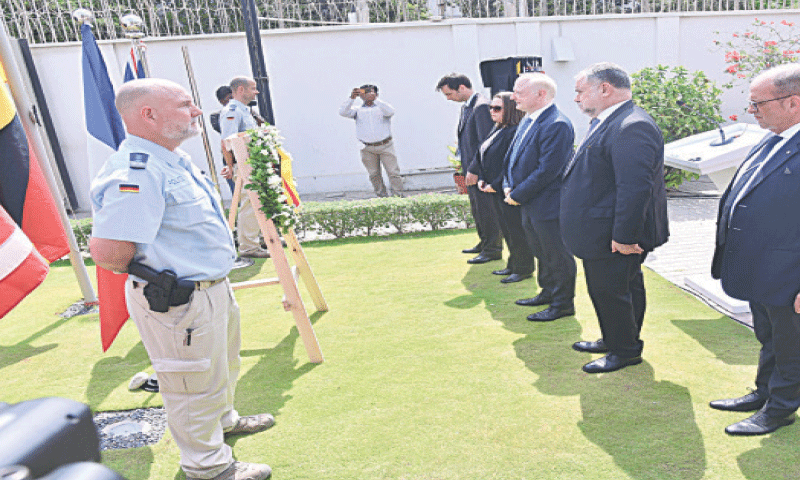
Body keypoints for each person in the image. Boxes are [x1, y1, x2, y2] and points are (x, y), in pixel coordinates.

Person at [89, 78, 274, 480]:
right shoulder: (137, 171)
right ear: (148, 115)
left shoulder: (170, 158)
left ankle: (223, 422)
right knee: (191, 387)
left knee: (222, 366)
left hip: (211, 288)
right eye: (184, 104)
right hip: (179, 298)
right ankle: (207, 466)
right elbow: (111, 253)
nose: (195, 111)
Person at [709, 63, 800, 436]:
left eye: (758, 104)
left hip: (790, 273)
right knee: (769, 336)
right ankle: (765, 392)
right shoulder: (774, 136)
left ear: (793, 102)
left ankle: (780, 409)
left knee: (791, 345)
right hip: (764, 269)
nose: (753, 111)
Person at [561, 62, 669, 373]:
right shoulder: (611, 121)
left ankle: (625, 351)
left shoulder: (631, 125)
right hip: (603, 231)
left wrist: (624, 237)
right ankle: (617, 338)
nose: (577, 98)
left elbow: (634, 189)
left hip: (613, 235)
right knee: (618, 289)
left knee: (613, 291)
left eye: (581, 91)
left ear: (605, 89)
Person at [503, 73, 577, 321]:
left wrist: (518, 194)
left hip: (548, 204)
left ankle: (562, 304)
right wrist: (507, 185)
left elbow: (548, 170)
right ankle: (547, 293)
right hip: (528, 202)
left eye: (519, 92)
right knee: (540, 251)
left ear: (541, 94)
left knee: (556, 254)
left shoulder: (557, 124)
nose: (513, 98)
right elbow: (512, 158)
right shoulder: (528, 120)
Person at [436, 73, 502, 264]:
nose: (448, 98)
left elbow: (485, 143)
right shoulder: (469, 107)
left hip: (480, 171)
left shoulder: (481, 107)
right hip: (471, 168)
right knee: (478, 210)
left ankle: (492, 249)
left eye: (449, 94)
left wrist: (474, 170)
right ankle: (484, 243)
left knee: (486, 210)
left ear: (462, 88)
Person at [476, 92, 532, 284]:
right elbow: (485, 156)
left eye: (497, 108)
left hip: (507, 189)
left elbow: (510, 165)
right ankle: (513, 264)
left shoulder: (514, 132)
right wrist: (482, 178)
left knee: (516, 230)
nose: (492, 111)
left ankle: (523, 268)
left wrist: (495, 184)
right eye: (490, 107)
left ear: (509, 110)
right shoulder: (498, 128)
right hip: (493, 189)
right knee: (507, 229)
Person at [220, 76, 270, 259]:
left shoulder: (245, 111)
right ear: (240, 89)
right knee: (250, 204)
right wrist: (231, 166)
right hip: (244, 165)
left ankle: (264, 239)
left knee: (260, 203)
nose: (256, 92)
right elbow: (226, 142)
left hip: (254, 163)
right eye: (253, 88)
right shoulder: (232, 110)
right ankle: (248, 246)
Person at [338, 84, 404, 197]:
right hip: (367, 148)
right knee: (374, 174)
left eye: (370, 92)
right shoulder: (358, 110)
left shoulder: (381, 107)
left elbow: (390, 111)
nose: (368, 94)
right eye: (365, 92)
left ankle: (399, 196)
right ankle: (382, 197)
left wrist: (376, 100)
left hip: (385, 145)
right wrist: (351, 98)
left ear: (376, 94)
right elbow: (343, 112)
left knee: (393, 172)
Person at [209, 85, 235, 194]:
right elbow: (227, 130)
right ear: (221, 101)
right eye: (230, 98)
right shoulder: (216, 117)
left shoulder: (246, 112)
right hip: (233, 161)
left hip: (252, 157)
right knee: (239, 197)